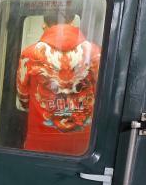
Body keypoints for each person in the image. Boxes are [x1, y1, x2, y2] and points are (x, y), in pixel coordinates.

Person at [16, 9, 101, 156]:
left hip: (41, 138)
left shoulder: (29, 54)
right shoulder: (95, 52)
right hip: (82, 143)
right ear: (73, 22)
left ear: (44, 24)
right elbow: (101, 95)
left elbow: (23, 97)